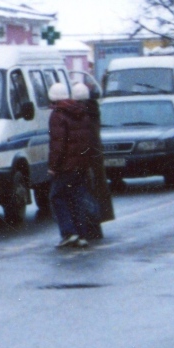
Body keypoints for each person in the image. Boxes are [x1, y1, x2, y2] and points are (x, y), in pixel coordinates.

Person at [47, 81, 99, 248]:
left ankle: (69, 233)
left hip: (65, 166)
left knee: (56, 197)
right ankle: (82, 235)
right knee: (76, 199)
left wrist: (53, 167)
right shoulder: (81, 113)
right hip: (80, 165)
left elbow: (58, 145)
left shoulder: (57, 115)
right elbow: (88, 140)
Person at [74, 80, 112, 239]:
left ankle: (91, 226)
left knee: (87, 192)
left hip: (87, 158)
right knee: (94, 191)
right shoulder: (93, 110)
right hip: (95, 157)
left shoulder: (83, 115)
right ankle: (95, 226)